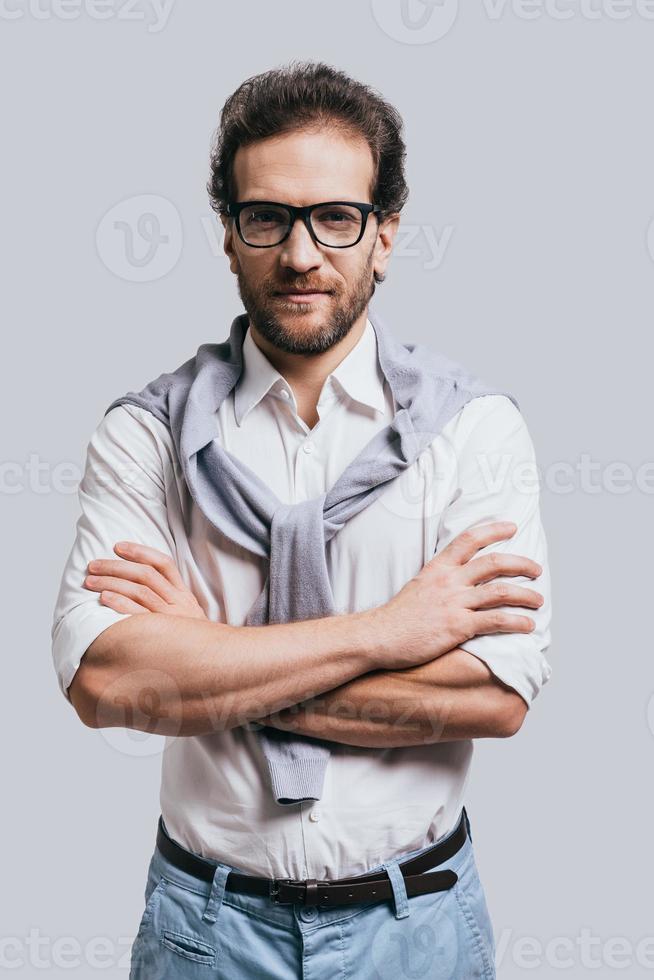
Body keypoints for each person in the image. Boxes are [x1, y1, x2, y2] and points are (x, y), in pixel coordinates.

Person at [51, 60, 552, 980]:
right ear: (231, 236)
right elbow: (106, 684)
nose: (301, 253)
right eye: (267, 218)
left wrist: (208, 657)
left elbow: (491, 699)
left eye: (336, 217)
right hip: (206, 928)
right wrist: (389, 634)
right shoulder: (144, 434)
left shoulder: (476, 432)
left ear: (385, 235)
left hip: (420, 928)